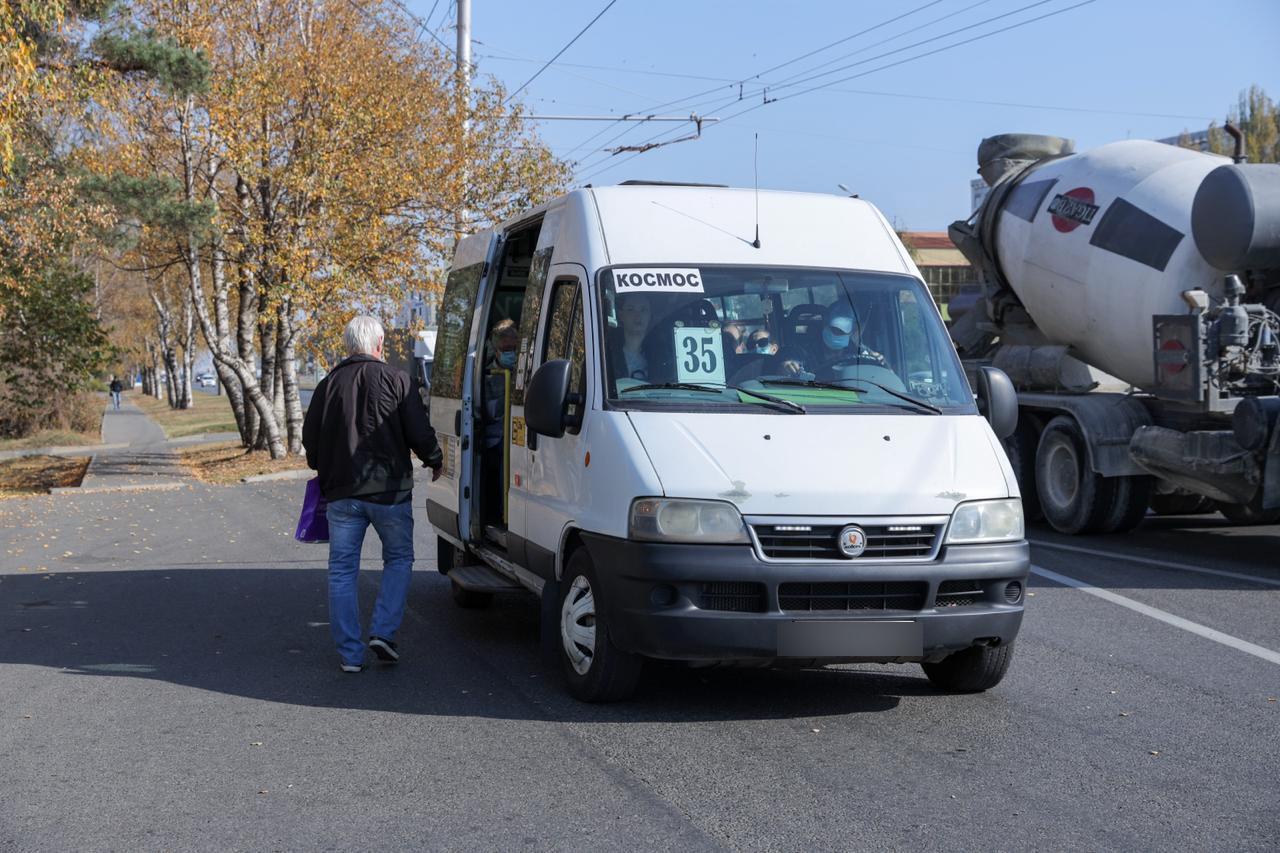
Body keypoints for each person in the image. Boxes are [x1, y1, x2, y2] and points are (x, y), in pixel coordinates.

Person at [302, 315, 443, 673]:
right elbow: (418, 430)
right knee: (397, 560)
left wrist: (322, 467)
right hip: (390, 492)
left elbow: (310, 438)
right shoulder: (399, 380)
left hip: (342, 493)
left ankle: (350, 655)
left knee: (342, 571)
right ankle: (383, 631)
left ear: (349, 346)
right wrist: (434, 458)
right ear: (379, 345)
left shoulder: (328, 384)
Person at [481, 320, 519, 525]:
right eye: (506, 349)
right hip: (495, 441)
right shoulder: (488, 376)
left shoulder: (523, 373)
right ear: (496, 350)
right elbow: (491, 411)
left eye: (514, 349)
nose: (511, 354)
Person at [781, 302, 884, 378]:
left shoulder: (861, 353)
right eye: (834, 329)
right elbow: (789, 366)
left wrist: (880, 364)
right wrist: (788, 367)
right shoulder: (804, 352)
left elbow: (886, 379)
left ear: (852, 332)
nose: (838, 334)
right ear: (824, 326)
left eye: (843, 331)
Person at [615, 294, 652, 380]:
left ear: (650, 315)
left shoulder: (662, 356)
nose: (638, 315)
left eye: (643, 309)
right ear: (621, 315)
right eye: (630, 309)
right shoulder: (605, 354)